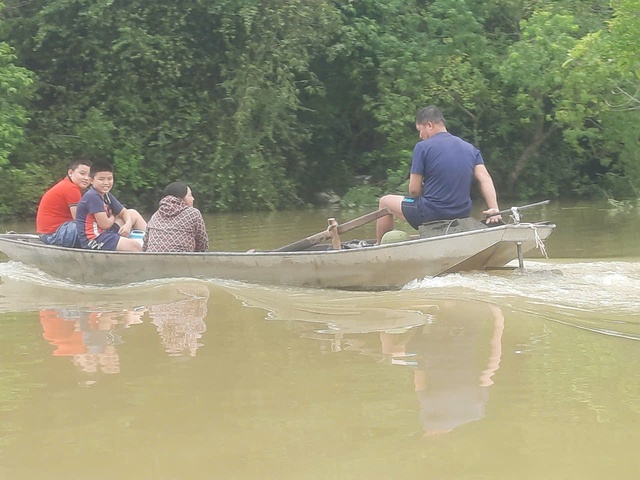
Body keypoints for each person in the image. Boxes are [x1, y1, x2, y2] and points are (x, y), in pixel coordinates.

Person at [376, 106, 502, 244]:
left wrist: (424, 198)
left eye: (420, 130)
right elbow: (485, 179)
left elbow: (414, 190)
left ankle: (378, 249)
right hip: (462, 214)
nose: (420, 136)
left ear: (429, 125)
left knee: (385, 202)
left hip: (431, 212)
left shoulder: (422, 147)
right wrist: (494, 209)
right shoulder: (470, 148)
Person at [75, 162, 147, 251]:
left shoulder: (106, 195)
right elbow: (105, 224)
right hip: (94, 240)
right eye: (101, 179)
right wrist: (113, 216)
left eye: (109, 179)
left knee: (133, 213)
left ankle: (153, 240)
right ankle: (148, 258)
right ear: (91, 180)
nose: (106, 183)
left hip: (106, 233)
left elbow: (124, 212)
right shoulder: (92, 196)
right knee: (135, 246)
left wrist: (128, 225)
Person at [35, 159, 92, 247]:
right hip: (53, 235)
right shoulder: (71, 189)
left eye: (89, 176)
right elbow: (79, 219)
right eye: (82, 173)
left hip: (47, 234)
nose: (86, 178)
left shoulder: (67, 185)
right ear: (70, 173)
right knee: (92, 229)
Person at [143, 181, 209, 252]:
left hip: (153, 260)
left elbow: (145, 246)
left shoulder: (155, 215)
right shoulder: (193, 213)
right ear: (181, 198)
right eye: (190, 195)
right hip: (181, 261)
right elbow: (203, 246)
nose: (193, 198)